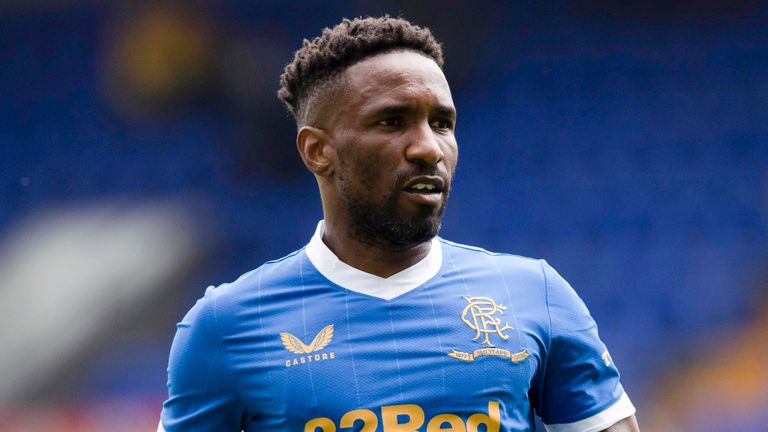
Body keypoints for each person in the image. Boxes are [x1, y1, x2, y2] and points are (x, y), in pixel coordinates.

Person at [159, 16, 640, 432]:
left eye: (442, 123)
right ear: (317, 151)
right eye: (392, 122)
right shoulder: (226, 325)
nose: (429, 147)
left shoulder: (536, 295)